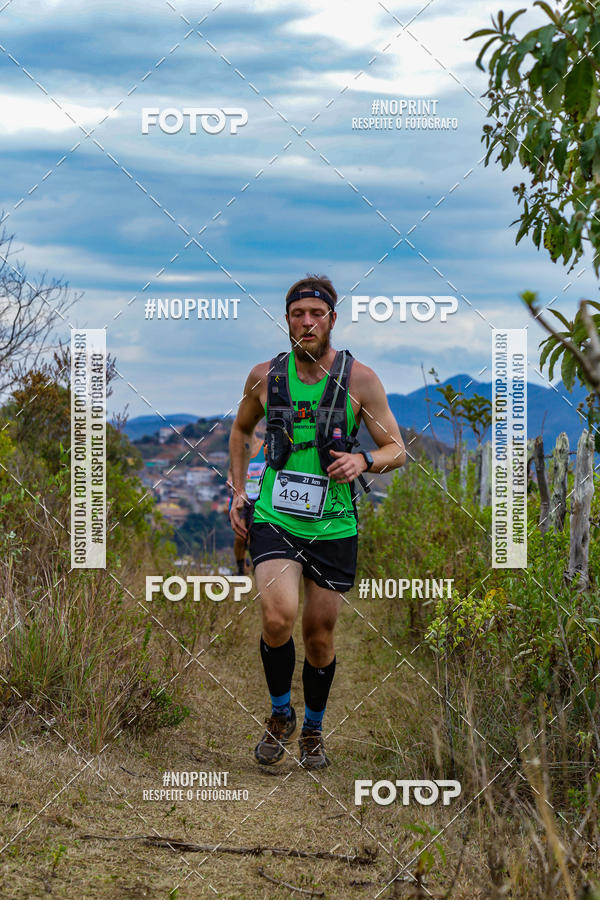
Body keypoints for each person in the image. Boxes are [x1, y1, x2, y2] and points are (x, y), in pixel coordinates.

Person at [229, 274, 406, 770]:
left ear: (332, 319)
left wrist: (363, 461)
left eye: (316, 314)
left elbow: (397, 449)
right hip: (276, 517)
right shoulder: (265, 376)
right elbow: (241, 431)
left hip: (333, 524)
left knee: (319, 636)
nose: (307, 322)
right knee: (276, 617)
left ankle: (312, 728)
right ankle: (279, 713)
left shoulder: (360, 380)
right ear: (286, 320)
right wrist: (238, 491)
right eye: (297, 314)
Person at [227, 427, 266, 575]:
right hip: (241, 497)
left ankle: (256, 569)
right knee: (239, 537)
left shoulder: (265, 447)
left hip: (260, 499)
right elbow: (231, 470)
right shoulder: (239, 450)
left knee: (252, 538)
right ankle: (240, 569)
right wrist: (230, 480)